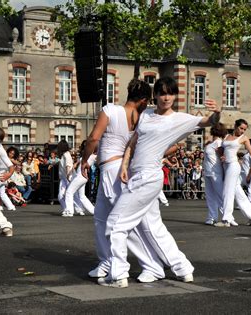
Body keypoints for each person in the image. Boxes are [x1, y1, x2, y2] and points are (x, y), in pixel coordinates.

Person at [99, 76, 221, 288]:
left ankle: (118, 275)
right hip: (137, 175)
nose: (166, 97)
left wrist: (217, 112)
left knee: (116, 224)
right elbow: (133, 142)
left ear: (175, 96)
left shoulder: (179, 119)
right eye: (162, 93)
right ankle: (183, 268)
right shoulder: (145, 114)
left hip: (148, 177)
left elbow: (208, 122)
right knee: (152, 227)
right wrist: (125, 165)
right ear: (155, 95)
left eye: (171, 93)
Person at [81, 78, 165, 284]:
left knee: (122, 222)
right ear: (143, 99)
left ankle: (151, 265)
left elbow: (93, 138)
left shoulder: (110, 110)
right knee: (101, 219)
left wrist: (84, 160)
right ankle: (107, 261)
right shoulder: (142, 117)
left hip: (113, 169)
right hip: (117, 170)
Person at [215, 119, 251, 227]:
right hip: (226, 166)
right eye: (241, 128)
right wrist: (222, 155)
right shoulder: (226, 136)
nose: (242, 131)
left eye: (244, 129)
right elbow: (220, 149)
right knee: (239, 193)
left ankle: (226, 220)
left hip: (233, 166)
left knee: (227, 192)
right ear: (235, 126)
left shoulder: (243, 138)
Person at [62, 140, 95, 217]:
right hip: (81, 176)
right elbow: (75, 165)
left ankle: (69, 211)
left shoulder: (92, 156)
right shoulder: (85, 156)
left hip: (81, 176)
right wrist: (69, 173)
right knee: (82, 196)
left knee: (69, 192)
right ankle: (94, 211)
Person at [203, 123, 227, 225]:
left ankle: (227, 217)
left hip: (216, 172)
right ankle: (212, 217)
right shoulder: (212, 143)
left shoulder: (219, 143)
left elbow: (223, 158)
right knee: (210, 196)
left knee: (220, 195)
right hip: (208, 172)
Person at [57, 140, 73, 213]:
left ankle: (68, 209)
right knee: (61, 196)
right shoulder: (64, 155)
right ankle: (66, 209)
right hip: (64, 177)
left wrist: (67, 176)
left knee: (63, 195)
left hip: (67, 177)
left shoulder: (67, 154)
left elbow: (68, 166)